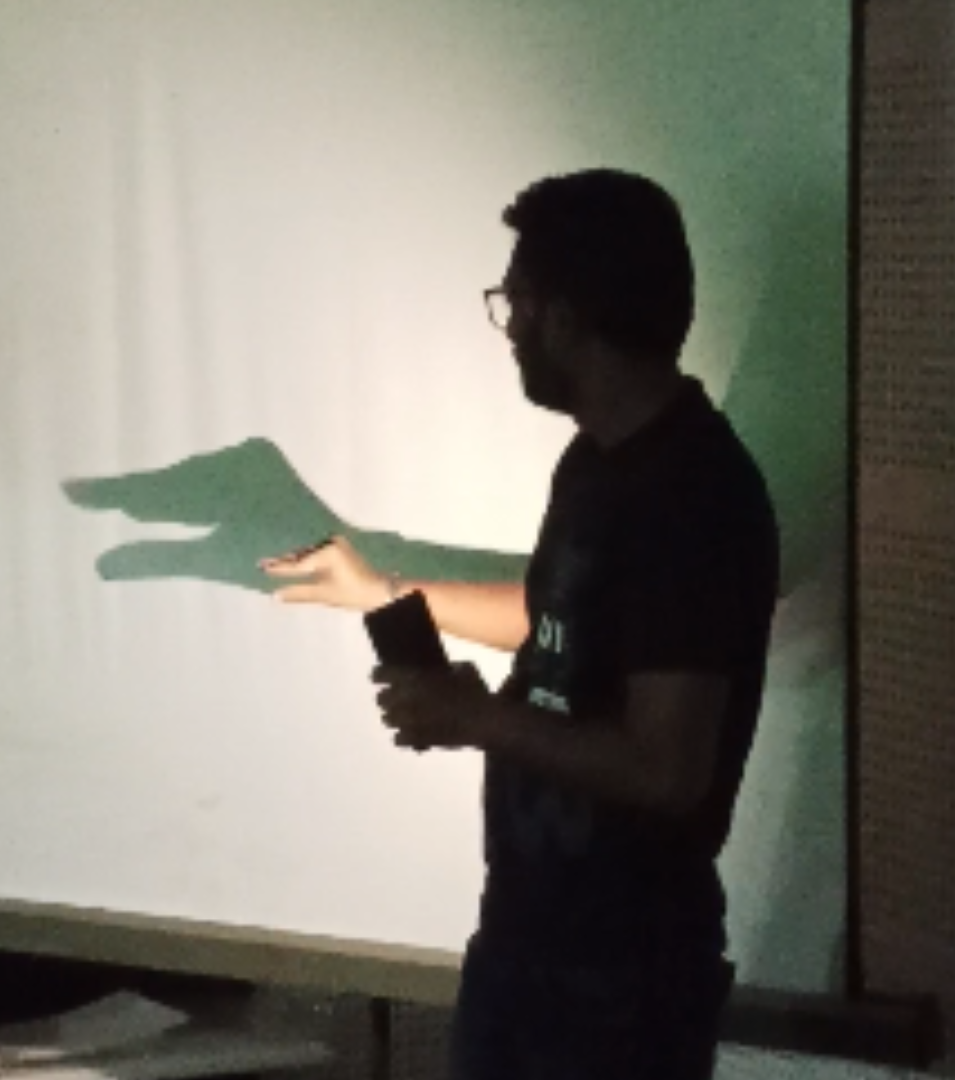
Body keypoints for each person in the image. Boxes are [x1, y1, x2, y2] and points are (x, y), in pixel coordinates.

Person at [262, 169, 779, 1080]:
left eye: (515, 303)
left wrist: (473, 718)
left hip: (621, 979)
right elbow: (561, 626)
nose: (509, 331)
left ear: (566, 317)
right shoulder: (598, 462)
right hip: (531, 943)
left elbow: (668, 769)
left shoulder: (693, 496)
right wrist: (382, 590)